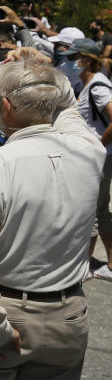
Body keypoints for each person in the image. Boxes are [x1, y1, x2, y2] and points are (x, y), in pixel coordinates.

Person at [0, 48, 101, 380]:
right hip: (67, 317)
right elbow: (67, 106)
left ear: (5, 107)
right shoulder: (90, 151)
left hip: (6, 312)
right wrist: (42, 70)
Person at [59, 38, 112, 281]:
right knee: (99, 209)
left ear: (87, 60)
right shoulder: (88, 84)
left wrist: (97, 146)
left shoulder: (98, 86)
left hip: (98, 159)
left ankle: (85, 265)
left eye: (73, 58)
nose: (69, 62)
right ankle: (106, 263)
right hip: (96, 158)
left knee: (90, 208)